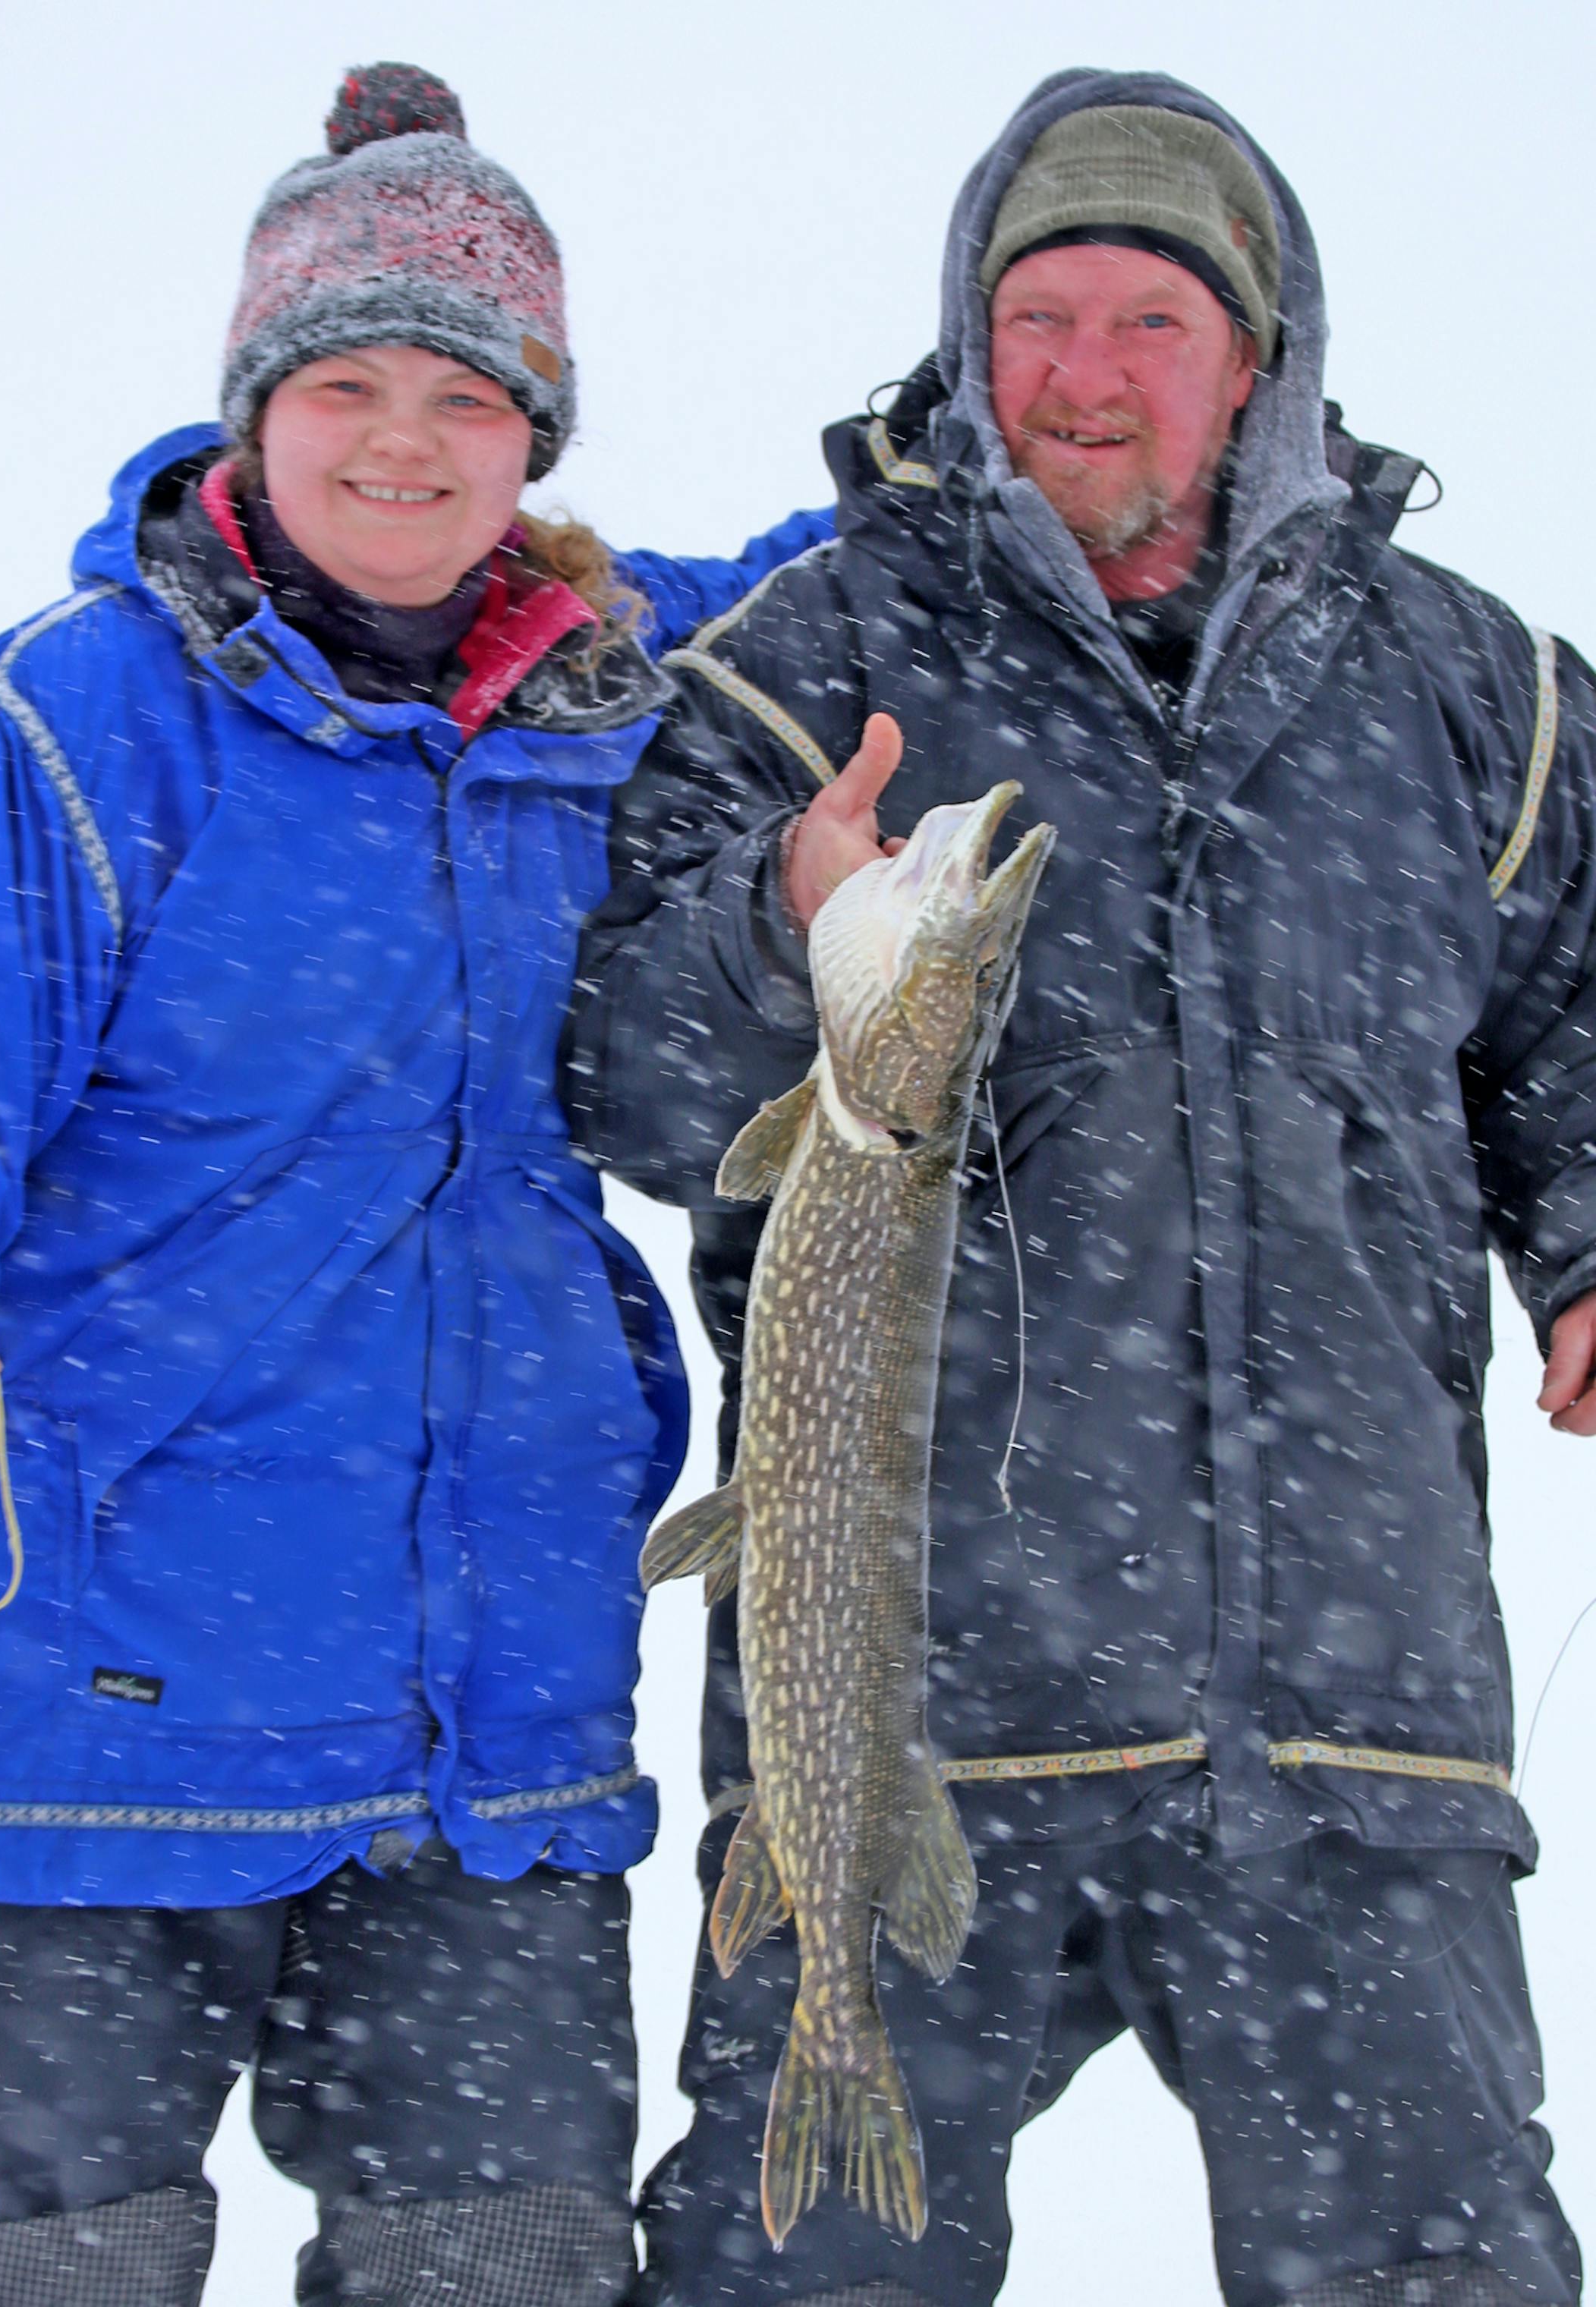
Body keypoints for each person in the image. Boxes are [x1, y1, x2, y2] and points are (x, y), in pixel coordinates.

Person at [568, 67, 1594, 2307]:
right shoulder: (804, 667)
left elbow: (1573, 1012)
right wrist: (780, 925)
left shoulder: (1475, 690)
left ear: (1258, 359)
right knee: (799, 2278)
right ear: (968, 337)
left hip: (1347, 1716)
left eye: (1150, 322)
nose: (1084, 376)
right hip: (904, 1706)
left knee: (1440, 2275)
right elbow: (629, 1076)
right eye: (1040, 318)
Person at [0, 61, 828, 2307]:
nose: (401, 443)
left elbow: (826, 606)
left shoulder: (606, 719)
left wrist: (934, 463)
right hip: (95, 1723)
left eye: (466, 392)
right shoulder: (74, 727)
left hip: (488, 1732)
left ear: (540, 436)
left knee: (508, 2273)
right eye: (343, 383)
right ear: (251, 412)